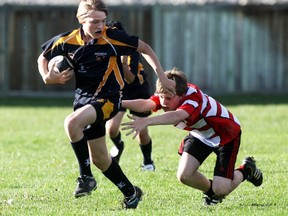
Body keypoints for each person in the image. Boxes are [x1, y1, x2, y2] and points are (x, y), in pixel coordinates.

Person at [37, 0, 174, 209]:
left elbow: (145, 48)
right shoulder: (67, 40)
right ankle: (131, 193)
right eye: (94, 22)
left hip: (109, 99)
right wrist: (47, 77)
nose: (100, 26)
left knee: (71, 123)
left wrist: (162, 78)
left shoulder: (112, 38)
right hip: (83, 100)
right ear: (81, 20)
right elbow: (43, 57)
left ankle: (86, 178)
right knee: (101, 159)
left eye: (103, 21)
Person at [121, 67, 263, 206]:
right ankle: (211, 193)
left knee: (221, 189)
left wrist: (146, 121)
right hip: (201, 134)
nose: (163, 102)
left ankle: (247, 169)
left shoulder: (193, 97)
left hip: (226, 135)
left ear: (181, 95)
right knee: (184, 175)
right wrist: (118, 103)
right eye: (161, 97)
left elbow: (177, 115)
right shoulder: (169, 90)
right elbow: (146, 104)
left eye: (168, 98)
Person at [104, 21, 155, 171]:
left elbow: (131, 78)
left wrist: (122, 63)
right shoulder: (104, 49)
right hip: (119, 91)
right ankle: (119, 146)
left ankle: (148, 161)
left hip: (137, 91)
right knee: (111, 129)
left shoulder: (130, 50)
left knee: (141, 130)